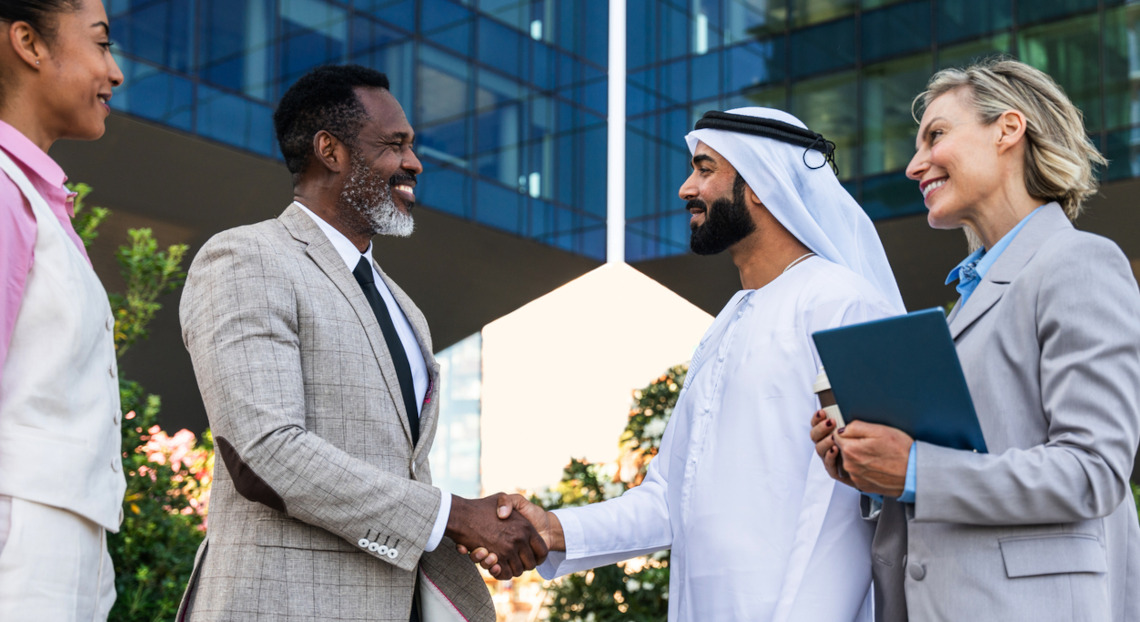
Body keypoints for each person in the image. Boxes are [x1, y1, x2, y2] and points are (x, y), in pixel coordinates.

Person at [469, 108, 906, 620]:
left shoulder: (841, 302)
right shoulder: (729, 320)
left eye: (704, 169)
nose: (685, 188)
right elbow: (669, 499)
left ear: (761, 183)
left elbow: (848, 508)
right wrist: (551, 528)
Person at [177, 64, 546, 622]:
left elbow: (396, 474)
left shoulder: (406, 309)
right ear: (330, 150)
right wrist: (448, 515)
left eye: (412, 146)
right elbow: (265, 452)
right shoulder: (246, 258)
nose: (414, 163)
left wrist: (475, 523)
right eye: (394, 145)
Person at [811, 58, 1140, 621]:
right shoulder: (971, 298)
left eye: (935, 135)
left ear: (1008, 129)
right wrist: (869, 468)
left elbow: (1093, 471)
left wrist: (915, 469)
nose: (915, 165)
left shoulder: (1078, 262)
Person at [0, 0, 125, 619]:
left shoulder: (37, 198)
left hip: (60, 545)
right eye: (101, 44)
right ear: (29, 42)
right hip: (19, 545)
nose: (116, 71)